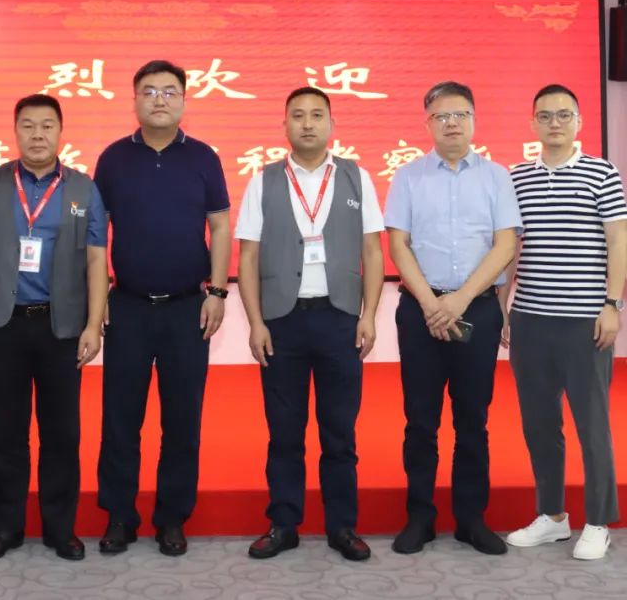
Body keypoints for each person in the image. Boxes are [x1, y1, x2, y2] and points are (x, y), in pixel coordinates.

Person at [235, 87, 384, 561]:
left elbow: (373, 251)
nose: (307, 123)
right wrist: (255, 322)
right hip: (282, 322)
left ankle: (342, 527)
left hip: (340, 319)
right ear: (284, 125)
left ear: (331, 125)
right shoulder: (263, 180)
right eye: (297, 115)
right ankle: (283, 524)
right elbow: (248, 256)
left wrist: (368, 315)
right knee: (284, 432)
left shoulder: (357, 177)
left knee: (339, 431)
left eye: (317, 115)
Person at [0, 94, 108, 562]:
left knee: (62, 434)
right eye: (28, 125)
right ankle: (6, 528)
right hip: (2, 325)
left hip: (60, 327)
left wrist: (93, 324)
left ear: (60, 132)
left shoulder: (83, 188)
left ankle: (60, 529)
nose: (37, 134)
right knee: (6, 432)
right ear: (15, 131)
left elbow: (97, 260)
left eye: (47, 125)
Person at [94, 59, 231, 557]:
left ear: (184, 100)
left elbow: (220, 226)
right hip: (127, 307)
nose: (159, 99)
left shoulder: (203, 157)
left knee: (182, 419)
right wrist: (97, 302)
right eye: (149, 91)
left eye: (169, 91)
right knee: (120, 418)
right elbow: (95, 236)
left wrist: (218, 292)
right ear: (134, 100)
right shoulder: (113, 159)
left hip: (186, 308)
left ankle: (172, 518)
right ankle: (119, 516)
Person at [384, 80, 521, 556]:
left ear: (474, 120)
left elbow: (506, 244)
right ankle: (420, 517)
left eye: (460, 114)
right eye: (441, 116)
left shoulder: (497, 177)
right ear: (427, 123)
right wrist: (431, 304)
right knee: (420, 420)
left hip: (475, 309)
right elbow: (398, 244)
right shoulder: (408, 177)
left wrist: (460, 300)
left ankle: (470, 519)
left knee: (472, 419)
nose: (452, 123)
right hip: (420, 309)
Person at [502, 84, 625, 560]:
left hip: (584, 322)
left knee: (592, 425)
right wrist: (505, 307)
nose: (555, 123)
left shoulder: (601, 173)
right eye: (546, 115)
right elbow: (511, 249)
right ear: (533, 122)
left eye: (564, 115)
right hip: (531, 320)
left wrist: (612, 304)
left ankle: (598, 521)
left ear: (578, 122)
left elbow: (618, 241)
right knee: (539, 424)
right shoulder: (517, 177)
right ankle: (552, 517)